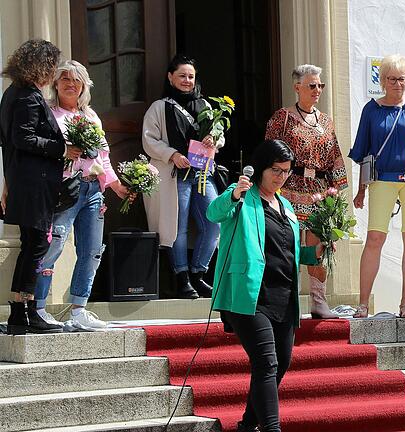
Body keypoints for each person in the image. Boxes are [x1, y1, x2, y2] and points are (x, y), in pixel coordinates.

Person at [207, 139, 326, 432]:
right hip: (249, 296)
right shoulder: (242, 197)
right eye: (275, 170)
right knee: (266, 363)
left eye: (286, 171)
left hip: (283, 297)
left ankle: (248, 424)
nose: (281, 177)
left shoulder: (285, 204)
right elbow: (214, 213)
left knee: (280, 364)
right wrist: (234, 194)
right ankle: (271, 428)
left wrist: (314, 253)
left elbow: (287, 249)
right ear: (260, 168)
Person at [31, 60, 134, 330]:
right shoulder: (49, 114)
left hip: (92, 191)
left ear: (84, 86)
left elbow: (104, 158)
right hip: (64, 190)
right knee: (52, 246)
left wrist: (115, 186)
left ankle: (79, 309)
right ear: (56, 83)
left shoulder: (91, 116)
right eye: (65, 78)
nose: (70, 84)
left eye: (76, 80)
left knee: (91, 251)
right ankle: (38, 308)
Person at [348, 54, 405, 319]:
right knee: (375, 237)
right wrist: (361, 190)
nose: (397, 84)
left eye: (402, 78)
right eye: (392, 78)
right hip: (383, 180)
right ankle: (363, 303)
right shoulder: (371, 110)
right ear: (383, 80)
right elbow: (363, 150)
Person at [0, 39, 73, 334]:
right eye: (52, 66)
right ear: (40, 65)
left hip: (24, 180)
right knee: (37, 244)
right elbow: (23, 139)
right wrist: (62, 149)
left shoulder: (11, 93)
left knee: (32, 245)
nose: (53, 73)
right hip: (34, 183)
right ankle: (25, 312)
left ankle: (22, 312)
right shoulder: (28, 97)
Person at [264, 64, 348, 319]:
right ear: (297, 87)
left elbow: (334, 155)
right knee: (284, 244)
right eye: (312, 85)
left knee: (318, 246)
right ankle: (282, 300)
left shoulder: (325, 120)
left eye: (320, 85)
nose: (317, 90)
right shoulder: (283, 118)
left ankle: (319, 302)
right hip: (288, 188)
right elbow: (269, 152)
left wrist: (337, 190)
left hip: (319, 191)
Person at [142, 54, 223, 299]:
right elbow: (149, 139)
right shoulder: (159, 107)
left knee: (214, 223)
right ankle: (182, 278)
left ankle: (198, 273)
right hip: (175, 174)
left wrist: (214, 140)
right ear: (170, 77)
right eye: (182, 76)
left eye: (191, 76)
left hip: (202, 173)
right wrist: (172, 154)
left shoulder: (206, 106)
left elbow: (219, 136)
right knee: (177, 227)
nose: (187, 80)